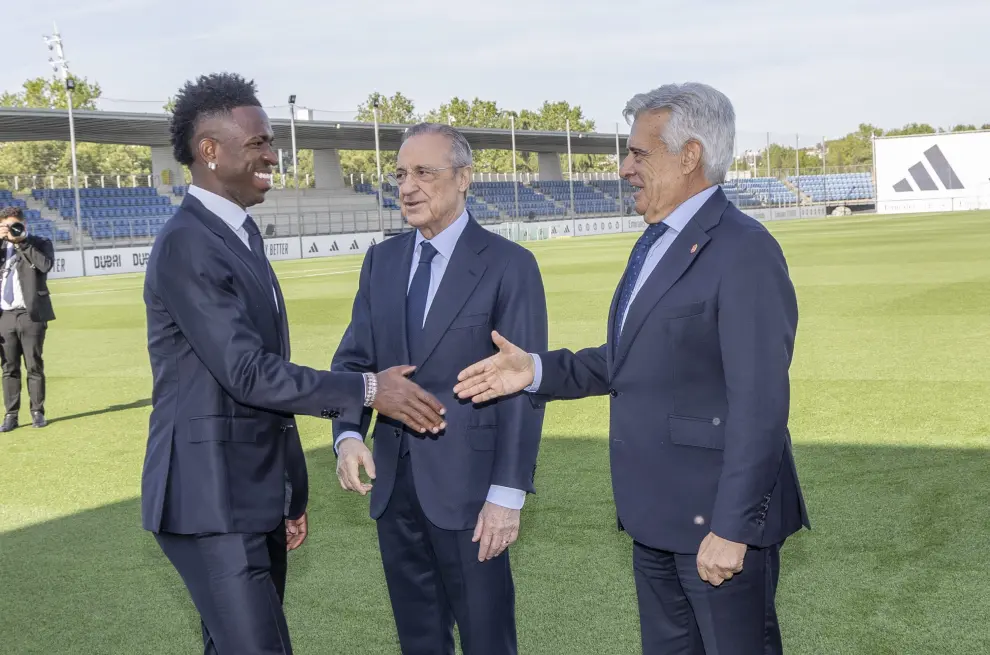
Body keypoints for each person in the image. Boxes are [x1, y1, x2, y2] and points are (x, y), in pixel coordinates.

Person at [454, 83, 810, 655]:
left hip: (715, 526)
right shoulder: (653, 243)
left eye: (639, 154)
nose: (624, 168)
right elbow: (623, 362)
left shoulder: (744, 249)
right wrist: (535, 370)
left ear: (689, 155)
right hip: (653, 520)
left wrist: (734, 528)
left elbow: (761, 405)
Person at [142, 73, 446, 655]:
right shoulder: (188, 242)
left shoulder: (236, 234)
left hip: (247, 497)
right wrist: (367, 390)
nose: (272, 155)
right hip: (208, 503)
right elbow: (249, 374)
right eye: (258, 142)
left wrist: (287, 494)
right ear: (210, 150)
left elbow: (259, 391)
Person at [331, 122, 548, 655]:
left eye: (424, 172)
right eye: (401, 173)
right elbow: (354, 361)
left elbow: (523, 390)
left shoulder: (509, 265)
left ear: (464, 178)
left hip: (472, 493)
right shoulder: (381, 262)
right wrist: (348, 435)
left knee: (486, 639)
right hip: (393, 485)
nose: (408, 186)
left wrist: (507, 494)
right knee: (418, 640)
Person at [0, 206, 55, 431]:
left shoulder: (40, 243)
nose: (10, 229)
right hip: (4, 315)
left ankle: (37, 412)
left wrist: (21, 241)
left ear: (23, 224)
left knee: (34, 365)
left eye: (14, 225)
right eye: (6, 225)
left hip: (31, 314)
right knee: (8, 367)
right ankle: (11, 415)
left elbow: (44, 265)